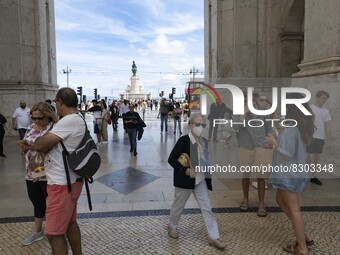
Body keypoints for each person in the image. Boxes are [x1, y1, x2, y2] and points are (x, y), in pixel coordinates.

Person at [30, 87, 85, 255]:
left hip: (62, 185)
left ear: (60, 101)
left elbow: (41, 145)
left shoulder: (68, 121)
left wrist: (37, 140)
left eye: (55, 102)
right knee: (70, 223)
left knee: (53, 234)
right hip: (70, 181)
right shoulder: (78, 118)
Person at [167, 113, 227, 250]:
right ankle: (172, 226)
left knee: (207, 208)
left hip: (200, 181)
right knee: (178, 205)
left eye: (203, 125)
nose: (200, 127)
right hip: (185, 181)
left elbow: (205, 159)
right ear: (190, 125)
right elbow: (172, 159)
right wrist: (185, 170)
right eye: (197, 124)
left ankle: (214, 237)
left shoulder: (204, 141)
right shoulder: (183, 140)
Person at [267, 93, 315, 255]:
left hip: (289, 174)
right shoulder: (298, 127)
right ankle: (305, 236)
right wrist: (278, 134)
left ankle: (302, 248)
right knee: (280, 200)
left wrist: (275, 143)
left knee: (294, 209)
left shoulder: (291, 130)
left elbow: (287, 153)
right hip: (292, 172)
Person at [18, 102, 58, 246]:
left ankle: (56, 231)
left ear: (48, 116)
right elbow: (28, 148)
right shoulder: (30, 128)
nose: (36, 121)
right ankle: (38, 231)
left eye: (40, 118)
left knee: (52, 203)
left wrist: (32, 146)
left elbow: (48, 147)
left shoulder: (54, 129)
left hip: (49, 172)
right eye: (34, 118)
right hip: (32, 171)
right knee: (37, 201)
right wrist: (23, 147)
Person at [235, 94, 272, 217]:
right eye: (249, 101)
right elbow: (235, 127)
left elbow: (269, 129)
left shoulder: (264, 113)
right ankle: (245, 199)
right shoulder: (240, 114)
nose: (252, 103)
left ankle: (261, 203)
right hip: (246, 147)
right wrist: (243, 115)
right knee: (246, 174)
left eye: (254, 101)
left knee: (261, 176)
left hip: (261, 146)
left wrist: (269, 142)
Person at [306, 91, 332, 186]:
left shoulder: (326, 111)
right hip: (311, 137)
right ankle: (305, 174)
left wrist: (328, 140)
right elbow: (305, 121)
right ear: (317, 97)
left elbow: (328, 126)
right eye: (323, 98)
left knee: (317, 157)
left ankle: (312, 176)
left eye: (325, 99)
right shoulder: (310, 108)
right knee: (310, 157)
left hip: (320, 138)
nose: (324, 100)